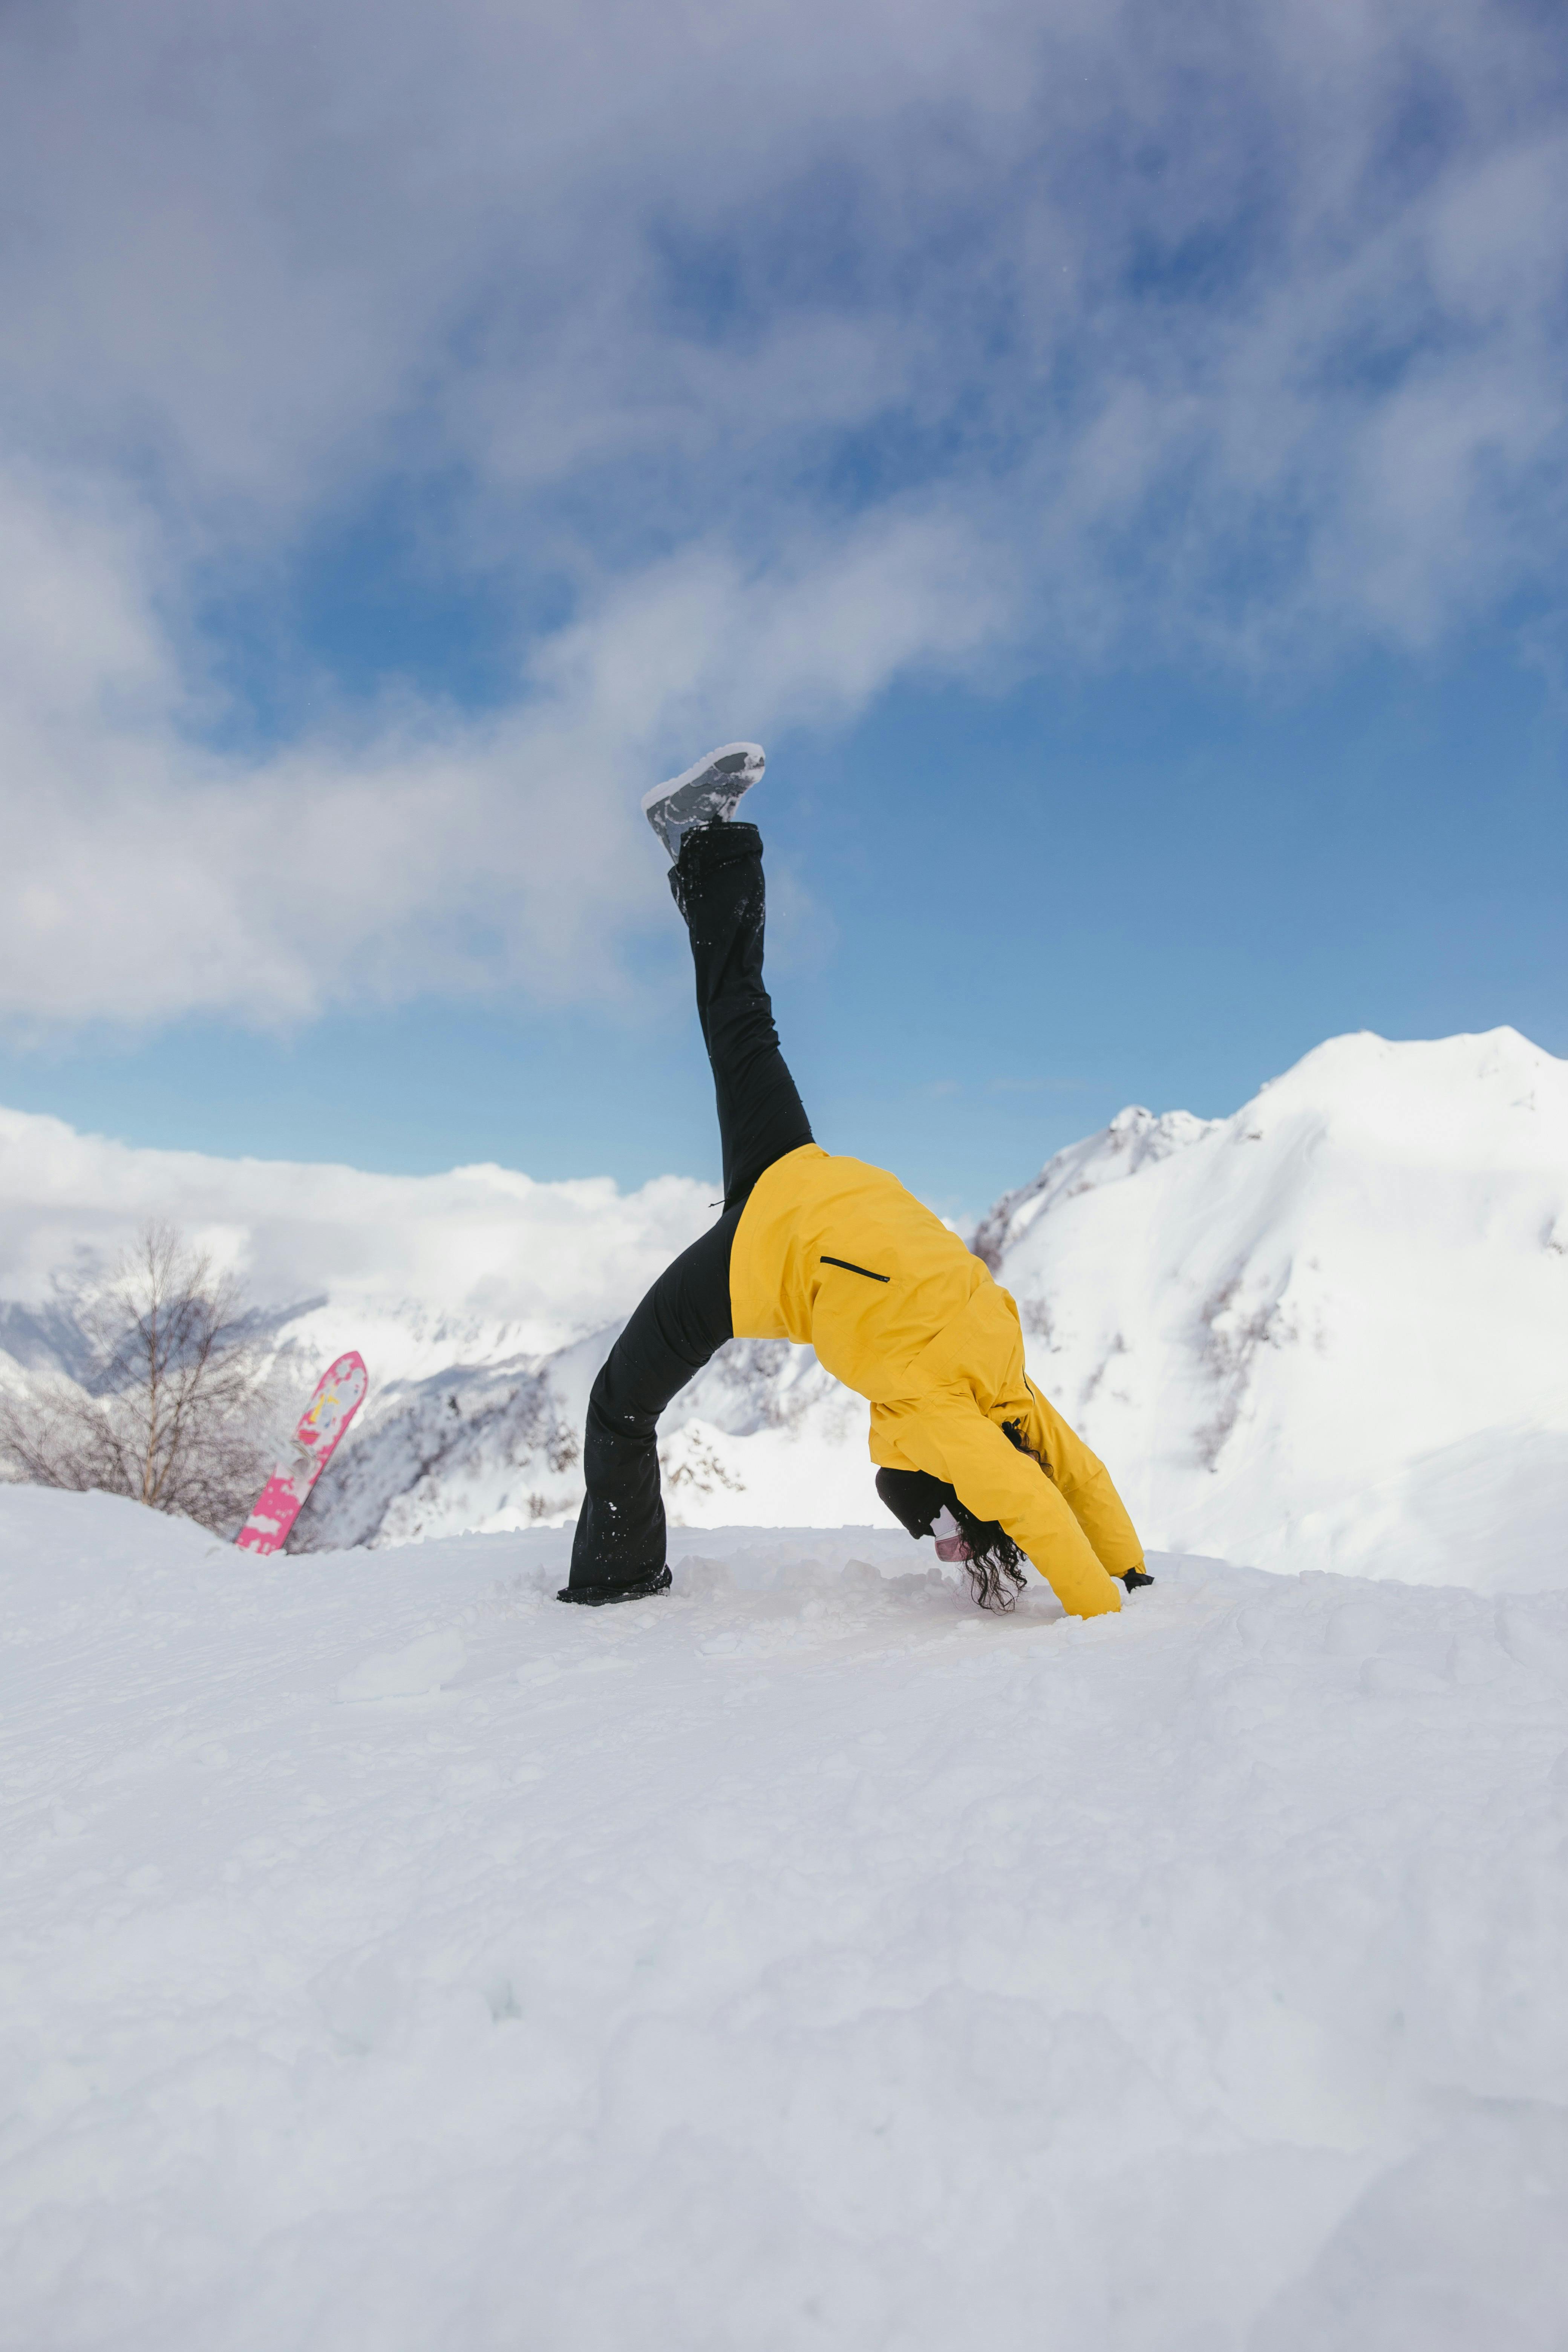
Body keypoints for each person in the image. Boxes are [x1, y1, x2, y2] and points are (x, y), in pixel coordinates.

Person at [559, 743, 1153, 1617]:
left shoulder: (1006, 1381)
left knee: (743, 1022)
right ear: (956, 1488)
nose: (946, 1544)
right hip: (760, 1252)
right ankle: (618, 1577)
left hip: (808, 1173)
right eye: (950, 1533)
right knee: (619, 1405)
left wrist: (1130, 1567)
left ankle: (703, 843)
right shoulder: (939, 1423)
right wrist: (1104, 1609)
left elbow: (1075, 1475)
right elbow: (1031, 1503)